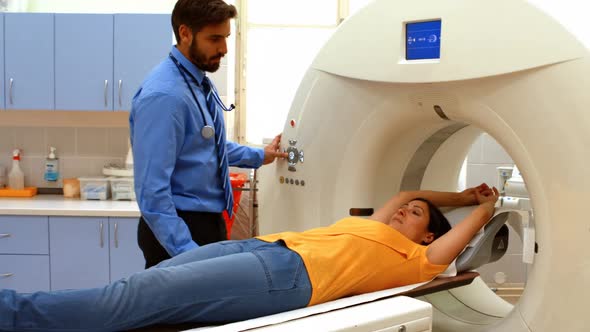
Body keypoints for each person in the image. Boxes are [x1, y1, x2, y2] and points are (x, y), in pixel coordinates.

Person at [0, 184, 499, 332]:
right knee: (147, 289)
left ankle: (14, 311)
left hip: (286, 277)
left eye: (415, 214)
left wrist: (484, 205)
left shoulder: (421, 259)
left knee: (135, 295)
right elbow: (408, 189)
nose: (403, 212)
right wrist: (454, 190)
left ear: (430, 233)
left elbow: (466, 228)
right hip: (263, 246)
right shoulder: (373, 224)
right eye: (404, 210)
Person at [129, 0, 287, 268]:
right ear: (185, 33)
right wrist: (189, 255)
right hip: (178, 229)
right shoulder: (165, 96)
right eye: (214, 39)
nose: (224, 49)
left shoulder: (196, 82)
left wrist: (261, 155)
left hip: (205, 223)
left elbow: (207, 146)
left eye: (225, 38)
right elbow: (152, 194)